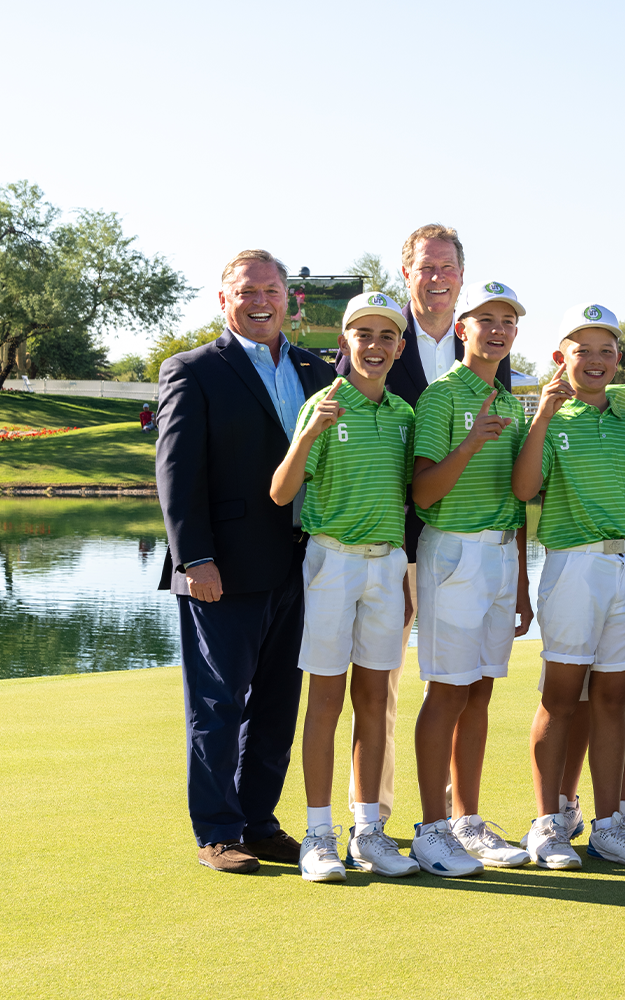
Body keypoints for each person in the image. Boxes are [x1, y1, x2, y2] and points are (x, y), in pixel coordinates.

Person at [155, 249, 335, 873]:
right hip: (222, 568)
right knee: (218, 703)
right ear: (224, 299)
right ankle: (218, 831)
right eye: (247, 290)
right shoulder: (194, 369)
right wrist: (194, 559)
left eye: (272, 289)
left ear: (290, 299)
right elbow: (177, 472)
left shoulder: (318, 369)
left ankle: (259, 823)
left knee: (279, 703)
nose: (261, 300)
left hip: (304, 563)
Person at [334, 224, 512, 827]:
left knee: (462, 681)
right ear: (405, 272)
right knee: (380, 685)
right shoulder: (380, 335)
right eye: (426, 268)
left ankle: (457, 820)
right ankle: (372, 818)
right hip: (388, 535)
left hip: (459, 539)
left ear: (461, 276)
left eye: (447, 269)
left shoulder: (487, 345)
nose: (436, 278)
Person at [269, 291, 419, 882]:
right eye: (364, 335)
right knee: (326, 701)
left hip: (387, 565)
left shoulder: (405, 417)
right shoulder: (321, 404)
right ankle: (317, 834)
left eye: (386, 337)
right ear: (345, 344)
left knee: (376, 700)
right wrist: (310, 435)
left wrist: (403, 570)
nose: (375, 346)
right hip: (331, 563)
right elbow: (282, 492)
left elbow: (405, 497)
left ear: (399, 347)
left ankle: (370, 832)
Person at [514, 302, 625, 869]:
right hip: (575, 566)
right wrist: (542, 418)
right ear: (561, 358)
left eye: (607, 351)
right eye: (584, 350)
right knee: (561, 698)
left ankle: (609, 824)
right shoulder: (552, 420)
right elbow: (525, 487)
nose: (597, 360)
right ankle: (548, 824)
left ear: (619, 360)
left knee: (613, 698)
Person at [408, 280, 534, 878]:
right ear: (463, 329)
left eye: (507, 321)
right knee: (447, 689)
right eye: (486, 320)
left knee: (481, 688)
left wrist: (524, 580)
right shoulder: (441, 396)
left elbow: (519, 498)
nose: (498, 330)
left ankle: (466, 821)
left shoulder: (511, 403)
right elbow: (425, 491)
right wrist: (469, 444)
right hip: (453, 553)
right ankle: (431, 829)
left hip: (501, 555)